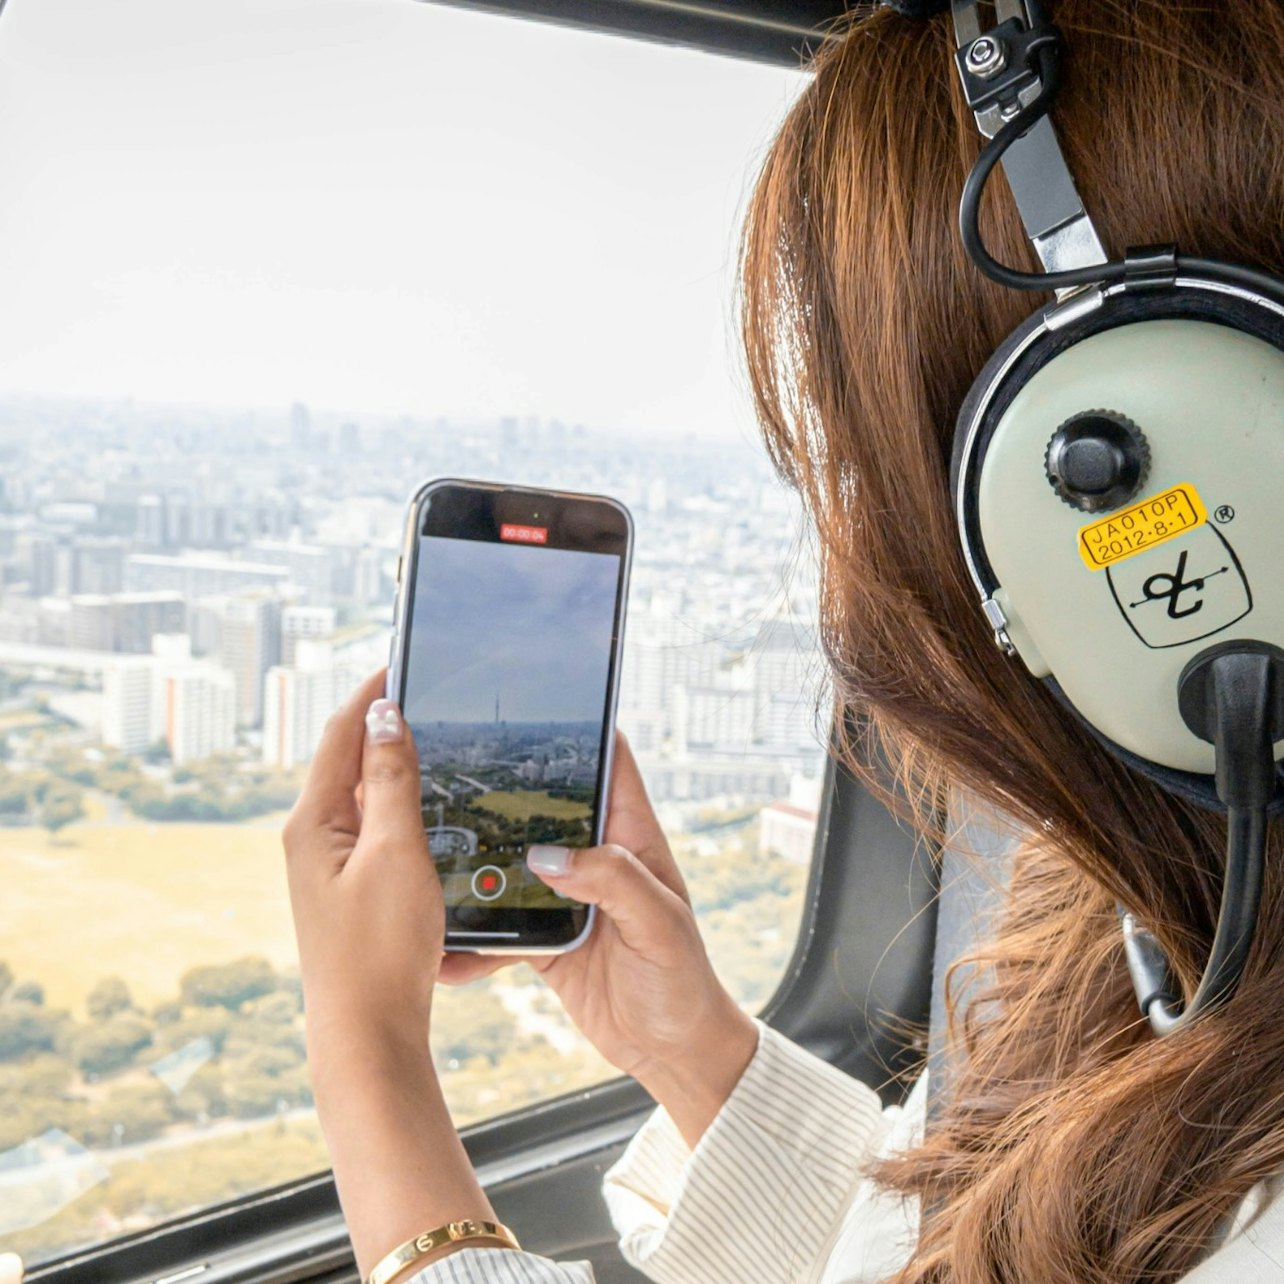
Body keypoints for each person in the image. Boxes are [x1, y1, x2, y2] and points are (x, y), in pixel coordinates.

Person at [282, 3, 1284, 1282]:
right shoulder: (1166, 911)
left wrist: (365, 1053)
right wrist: (693, 1045)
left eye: (898, 467)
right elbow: (949, 1253)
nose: (863, 554)